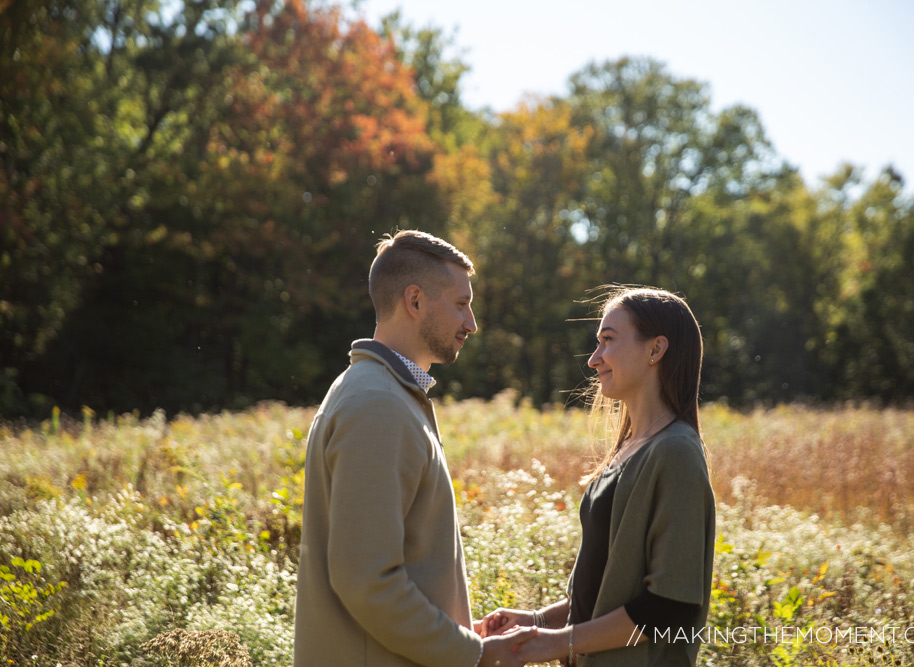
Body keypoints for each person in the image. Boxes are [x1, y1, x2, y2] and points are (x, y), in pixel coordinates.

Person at [294, 229, 535, 667]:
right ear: (416, 301)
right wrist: (472, 653)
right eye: (461, 304)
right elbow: (368, 583)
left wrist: (457, 630)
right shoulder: (377, 405)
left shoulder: (384, 394)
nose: (472, 323)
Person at [482, 287, 716, 666]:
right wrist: (539, 622)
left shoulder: (675, 453)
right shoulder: (627, 448)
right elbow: (606, 590)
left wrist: (558, 643)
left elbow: (668, 607)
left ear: (656, 350)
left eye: (607, 341)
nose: (593, 360)